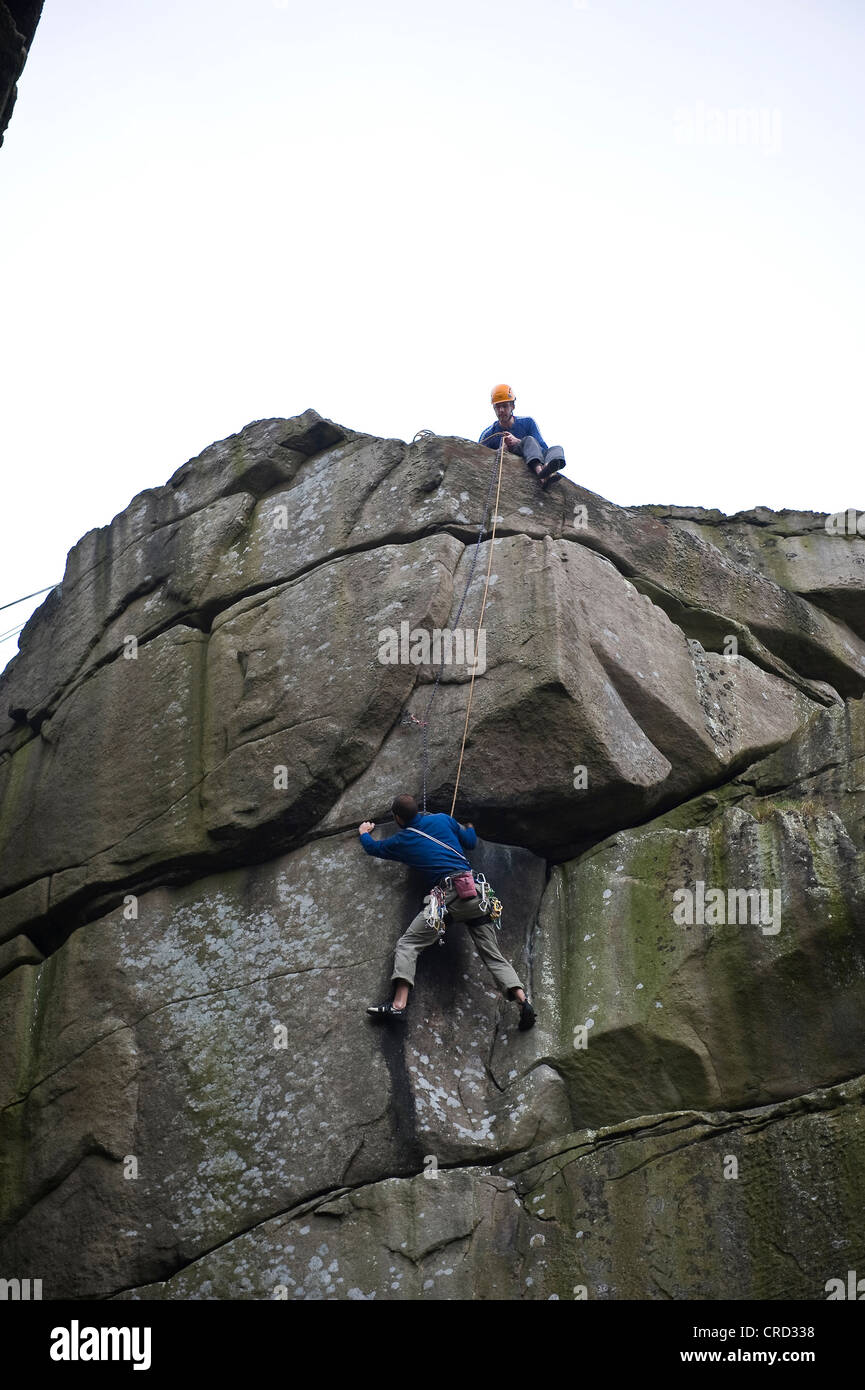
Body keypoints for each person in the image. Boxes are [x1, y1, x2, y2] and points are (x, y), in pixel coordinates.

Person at [358, 793, 536, 1030]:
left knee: (408, 943)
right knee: (493, 954)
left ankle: (398, 1005)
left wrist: (363, 831)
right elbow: (470, 841)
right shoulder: (443, 819)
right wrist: (470, 827)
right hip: (476, 894)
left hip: (447, 899)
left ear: (397, 818)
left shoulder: (402, 841)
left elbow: (373, 848)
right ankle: (523, 1000)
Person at [478, 383, 566, 487]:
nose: (501, 410)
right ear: (494, 408)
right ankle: (541, 474)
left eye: (505, 406)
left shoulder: (527, 422)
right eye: (498, 407)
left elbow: (543, 449)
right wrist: (501, 451)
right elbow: (479, 458)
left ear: (512, 406)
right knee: (529, 439)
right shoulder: (488, 434)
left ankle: (547, 469)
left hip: (533, 453)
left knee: (557, 449)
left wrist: (519, 442)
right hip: (516, 457)